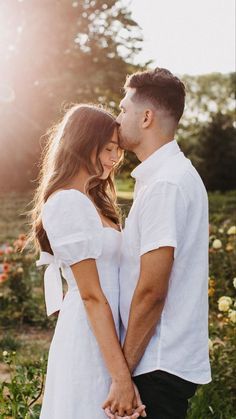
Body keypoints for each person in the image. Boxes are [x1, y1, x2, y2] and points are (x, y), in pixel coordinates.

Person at [28, 104, 146, 419]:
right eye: (108, 148)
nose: (115, 158)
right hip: (88, 336)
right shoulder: (66, 202)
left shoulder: (93, 201)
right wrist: (121, 377)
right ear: (83, 144)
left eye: (117, 150)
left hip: (110, 333)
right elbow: (92, 295)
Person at [108, 68, 212, 419]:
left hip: (156, 364)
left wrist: (123, 373)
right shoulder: (164, 177)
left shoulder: (167, 183)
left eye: (123, 109)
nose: (118, 118)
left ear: (147, 117)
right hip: (157, 361)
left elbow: (152, 289)